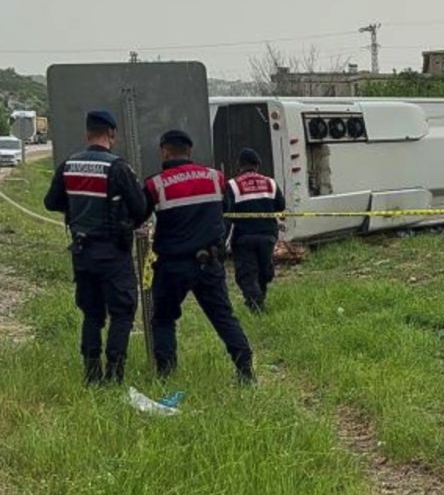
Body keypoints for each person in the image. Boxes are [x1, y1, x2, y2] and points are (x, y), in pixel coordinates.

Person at [42, 110, 148, 384]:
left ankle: (91, 373)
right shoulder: (118, 168)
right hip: (113, 252)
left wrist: (75, 206)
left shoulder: (69, 165)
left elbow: (51, 202)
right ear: (111, 134)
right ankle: (114, 373)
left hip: (82, 252)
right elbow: (140, 207)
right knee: (122, 311)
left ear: (87, 133)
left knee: (92, 313)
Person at [143, 129, 255, 383]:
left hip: (172, 265)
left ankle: (166, 375)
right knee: (223, 317)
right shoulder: (216, 178)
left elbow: (139, 213)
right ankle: (245, 370)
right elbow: (226, 209)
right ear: (190, 151)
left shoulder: (156, 183)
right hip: (209, 261)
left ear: (164, 150)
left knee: (163, 319)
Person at [224, 147, 286, 313]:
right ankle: (258, 301)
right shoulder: (270, 183)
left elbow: (226, 212)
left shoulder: (232, 185)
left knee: (247, 274)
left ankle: (256, 304)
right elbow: (281, 206)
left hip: (244, 237)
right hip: (268, 236)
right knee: (264, 271)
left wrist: (222, 241)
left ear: (240, 166)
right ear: (257, 165)